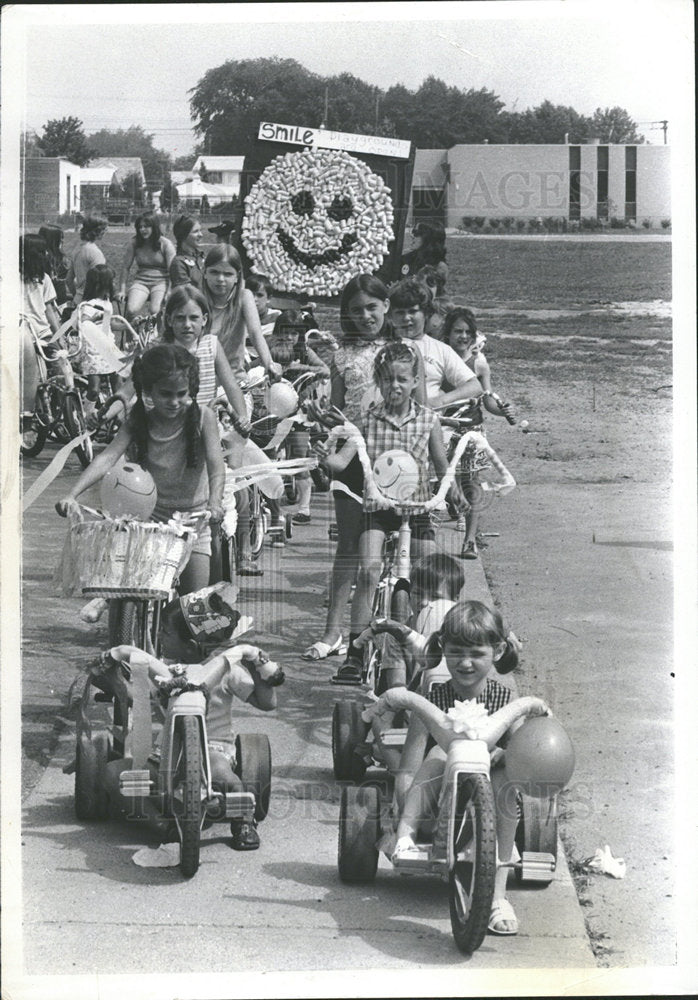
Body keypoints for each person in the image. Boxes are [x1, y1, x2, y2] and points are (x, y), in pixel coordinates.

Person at [325, 340, 465, 685]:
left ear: (416, 380)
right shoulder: (367, 420)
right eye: (388, 379)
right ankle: (355, 654)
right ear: (378, 381)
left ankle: (435, 640)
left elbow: (440, 464)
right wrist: (322, 457)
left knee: (432, 573)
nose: (395, 386)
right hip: (379, 508)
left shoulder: (429, 420)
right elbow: (342, 461)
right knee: (369, 570)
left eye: (403, 379)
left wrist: (452, 489)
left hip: (415, 511)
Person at [386, 600, 526, 935]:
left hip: (490, 792)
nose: (465, 663)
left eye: (476, 653)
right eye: (455, 652)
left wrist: (504, 756)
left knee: (507, 780)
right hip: (442, 787)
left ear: (497, 651)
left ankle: (498, 895)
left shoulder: (505, 701)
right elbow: (411, 762)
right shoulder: (434, 700)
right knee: (436, 757)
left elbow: (523, 753)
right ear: (443, 649)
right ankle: (405, 836)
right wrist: (404, 808)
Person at [56, 343, 225, 596]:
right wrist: (73, 493)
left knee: (192, 607)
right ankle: (116, 618)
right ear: (148, 391)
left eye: (182, 393)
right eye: (165, 394)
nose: (174, 401)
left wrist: (215, 502)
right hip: (147, 519)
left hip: (193, 520)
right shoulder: (139, 419)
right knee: (121, 589)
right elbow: (108, 457)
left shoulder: (204, 417)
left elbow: (216, 464)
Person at [301, 274, 391, 661]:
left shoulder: (403, 349)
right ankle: (332, 631)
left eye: (372, 307)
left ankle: (378, 630)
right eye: (356, 310)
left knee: (384, 554)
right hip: (351, 455)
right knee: (348, 547)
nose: (366, 316)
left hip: (395, 455)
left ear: (386, 306)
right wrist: (323, 420)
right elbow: (338, 412)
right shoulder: (341, 357)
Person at [160, 285, 261, 578]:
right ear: (169, 320)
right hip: (167, 427)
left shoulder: (210, 346)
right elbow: (138, 387)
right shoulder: (160, 348)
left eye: (194, 317)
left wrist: (242, 418)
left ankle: (219, 567)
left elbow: (230, 384)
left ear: (205, 318)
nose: (187, 325)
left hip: (204, 430)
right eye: (179, 317)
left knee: (221, 498)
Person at [442, 307, 513, 558]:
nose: (463, 336)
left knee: (472, 483)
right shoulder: (441, 358)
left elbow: (488, 400)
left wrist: (502, 410)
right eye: (457, 331)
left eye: (467, 332)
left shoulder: (479, 363)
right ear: (447, 334)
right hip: (442, 429)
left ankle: (469, 540)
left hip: (471, 429)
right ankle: (451, 504)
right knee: (444, 480)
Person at [266, 309, 329, 528]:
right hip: (271, 412)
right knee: (269, 455)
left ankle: (304, 508)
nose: (289, 337)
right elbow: (254, 366)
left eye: (294, 333)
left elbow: (325, 370)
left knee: (300, 455)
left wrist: (297, 367)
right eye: (285, 332)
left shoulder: (305, 352)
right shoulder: (270, 348)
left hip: (299, 412)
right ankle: (272, 507)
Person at [389, 278, 482, 410]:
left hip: (426, 419)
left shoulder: (440, 349)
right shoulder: (384, 344)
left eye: (412, 311)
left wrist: (441, 401)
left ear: (425, 313)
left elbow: (474, 386)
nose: (406, 318)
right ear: (391, 316)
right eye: (400, 312)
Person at [201, 245, 281, 381]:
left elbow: (256, 334)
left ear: (237, 277)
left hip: (234, 378)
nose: (220, 279)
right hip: (200, 377)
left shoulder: (244, 297)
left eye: (228, 274)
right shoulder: (195, 298)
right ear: (205, 273)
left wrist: (269, 364)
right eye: (214, 272)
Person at [71, 265, 127, 425]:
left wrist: (129, 325)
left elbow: (108, 325)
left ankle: (119, 417)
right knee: (94, 389)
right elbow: (83, 324)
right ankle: (87, 416)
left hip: (107, 346)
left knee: (119, 385)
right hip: (93, 350)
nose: (114, 285)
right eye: (111, 282)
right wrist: (97, 317)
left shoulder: (107, 302)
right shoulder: (87, 305)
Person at [20, 235, 63, 416]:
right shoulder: (15, 277)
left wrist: (59, 336)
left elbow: (49, 310)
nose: (45, 255)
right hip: (24, 332)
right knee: (34, 374)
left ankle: (63, 408)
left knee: (62, 365)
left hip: (43, 331)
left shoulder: (45, 279)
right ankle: (27, 414)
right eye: (41, 252)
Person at [118, 213, 175, 319]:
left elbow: (173, 270)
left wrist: (170, 291)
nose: (142, 230)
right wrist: (122, 290)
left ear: (154, 226)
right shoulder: (135, 243)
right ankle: (131, 334)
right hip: (141, 281)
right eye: (140, 227)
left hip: (161, 282)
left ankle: (157, 335)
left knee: (155, 311)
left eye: (146, 226)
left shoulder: (166, 244)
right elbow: (125, 267)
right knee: (131, 309)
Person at [66, 216, 107, 305]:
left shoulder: (77, 250)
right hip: (93, 302)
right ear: (97, 231)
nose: (105, 232)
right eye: (103, 229)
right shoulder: (95, 253)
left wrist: (76, 296)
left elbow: (69, 280)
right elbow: (99, 281)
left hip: (79, 299)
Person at [400, 220, 448, 286]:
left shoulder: (438, 267)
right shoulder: (406, 258)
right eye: (413, 231)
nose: (412, 236)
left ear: (428, 238)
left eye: (416, 233)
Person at [38, 224, 70, 309]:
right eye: (60, 238)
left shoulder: (58, 256)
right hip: (50, 304)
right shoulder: (44, 259)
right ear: (52, 240)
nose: (63, 241)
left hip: (60, 300)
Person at [169, 215, 205, 289]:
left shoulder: (201, 256)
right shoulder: (179, 263)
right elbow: (186, 294)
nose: (201, 235)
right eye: (196, 231)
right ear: (183, 235)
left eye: (200, 230)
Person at [246, 274, 281, 340]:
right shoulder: (236, 318)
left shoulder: (277, 317)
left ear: (268, 298)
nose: (254, 299)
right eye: (251, 294)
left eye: (259, 295)